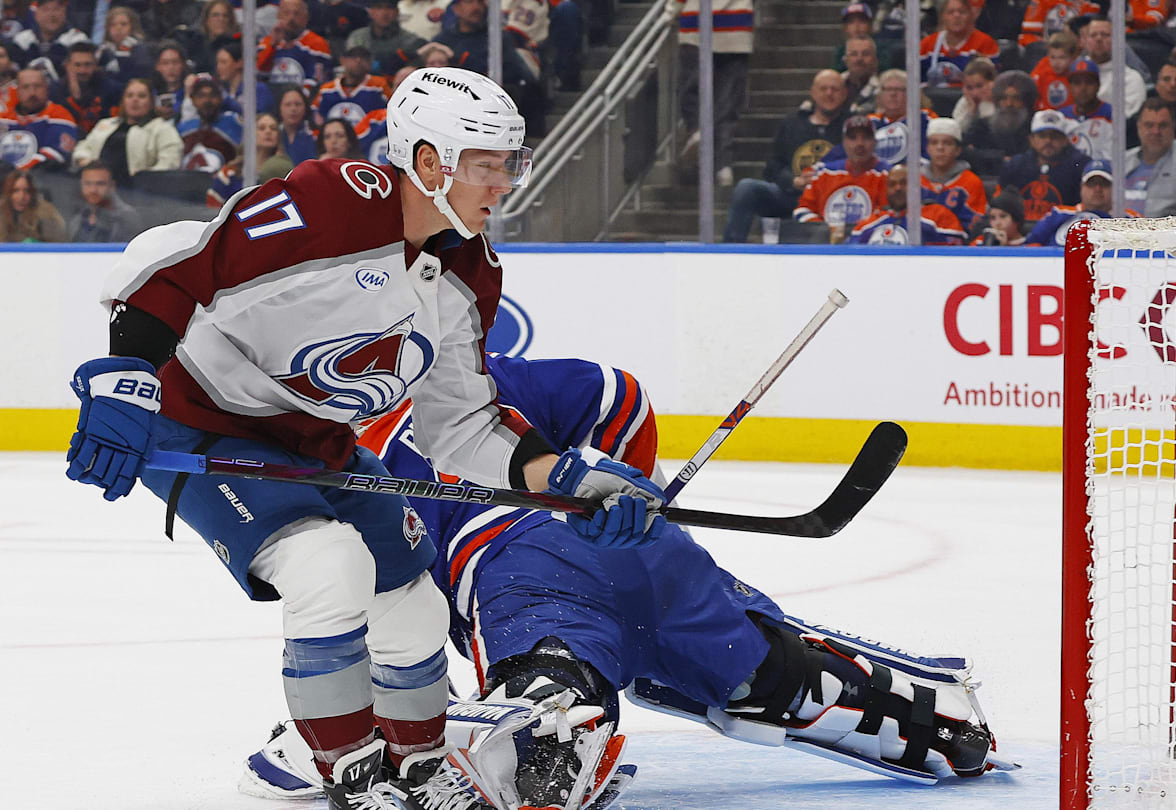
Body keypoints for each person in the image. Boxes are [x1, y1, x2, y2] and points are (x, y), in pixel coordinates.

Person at [63, 67, 666, 810]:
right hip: (201, 421)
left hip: (316, 442)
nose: (503, 183)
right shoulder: (332, 205)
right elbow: (177, 261)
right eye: (486, 164)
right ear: (425, 161)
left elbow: (465, 425)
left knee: (413, 603)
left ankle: (417, 769)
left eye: (509, 163)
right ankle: (353, 774)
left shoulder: (467, 272)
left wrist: (567, 477)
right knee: (328, 565)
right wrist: (125, 372)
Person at [239, 355, 1004, 809]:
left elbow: (386, 633)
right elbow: (615, 394)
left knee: (551, 686)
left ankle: (549, 721)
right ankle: (937, 725)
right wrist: (634, 495)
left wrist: (343, 732)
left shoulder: (331, 478)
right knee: (763, 676)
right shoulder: (458, 381)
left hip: (522, 570)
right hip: (652, 557)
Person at [723, 68, 846, 243]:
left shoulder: (852, 127)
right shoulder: (792, 124)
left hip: (835, 201)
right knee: (746, 188)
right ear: (813, 92)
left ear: (844, 94)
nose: (829, 93)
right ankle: (730, 253)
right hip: (793, 196)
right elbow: (772, 168)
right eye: (823, 88)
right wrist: (794, 182)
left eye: (835, 89)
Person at [667, 0, 753, 186]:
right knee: (728, 102)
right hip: (735, 25)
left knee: (691, 89)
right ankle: (723, 164)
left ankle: (696, 130)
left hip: (696, 23)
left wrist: (670, 13)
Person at [434, 0, 546, 136]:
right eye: (469, 2)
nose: (476, 7)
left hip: (487, 107)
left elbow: (516, 74)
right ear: (456, 8)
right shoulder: (443, 40)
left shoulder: (497, 38)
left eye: (480, 2)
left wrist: (466, 63)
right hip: (450, 106)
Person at [73, 77, 184, 184]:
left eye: (142, 96)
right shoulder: (106, 124)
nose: (134, 100)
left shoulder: (163, 129)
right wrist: (86, 161)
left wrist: (146, 179)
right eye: (129, 96)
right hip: (97, 185)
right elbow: (83, 147)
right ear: (123, 101)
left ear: (151, 102)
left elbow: (170, 163)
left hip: (138, 191)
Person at [792, 114, 890, 231]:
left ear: (875, 142)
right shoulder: (823, 173)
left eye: (866, 137)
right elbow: (802, 210)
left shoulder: (887, 175)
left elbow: (888, 215)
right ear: (844, 142)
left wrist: (857, 233)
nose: (860, 144)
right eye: (853, 138)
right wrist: (825, 232)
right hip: (826, 245)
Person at [997, 107, 1088, 224]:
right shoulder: (1015, 166)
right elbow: (999, 206)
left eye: (1054, 136)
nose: (1048, 141)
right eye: (1042, 136)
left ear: (1065, 140)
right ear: (1032, 140)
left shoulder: (1078, 167)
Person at [1025, 158, 1136, 245]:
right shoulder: (1059, 214)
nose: (1097, 189)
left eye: (1104, 184)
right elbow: (1031, 244)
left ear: (1115, 188)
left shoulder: (1129, 219)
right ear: (1081, 187)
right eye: (1091, 184)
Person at [848, 163, 966, 244]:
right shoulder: (869, 223)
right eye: (892, 184)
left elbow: (955, 256)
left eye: (904, 183)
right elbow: (849, 256)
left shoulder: (938, 215)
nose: (898, 188)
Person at [207, 110, 295, 205]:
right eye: (261, 128)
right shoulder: (229, 173)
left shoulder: (283, 172)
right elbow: (212, 209)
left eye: (273, 128)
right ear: (249, 135)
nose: (268, 131)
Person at [0, 67, 79, 170]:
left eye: (37, 86)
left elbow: (53, 155)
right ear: (17, 91)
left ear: (47, 89)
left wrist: (17, 173)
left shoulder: (60, 115)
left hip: (42, 180)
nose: (32, 93)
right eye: (26, 87)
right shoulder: (4, 118)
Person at [921, 115, 986, 231]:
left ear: (958, 150)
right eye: (934, 143)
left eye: (947, 143)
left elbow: (975, 224)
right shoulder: (915, 180)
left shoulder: (971, 182)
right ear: (927, 148)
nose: (940, 148)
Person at [962, 69, 1036, 169]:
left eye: (1016, 98)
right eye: (1003, 98)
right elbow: (963, 151)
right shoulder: (982, 125)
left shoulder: (1036, 127)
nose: (1009, 103)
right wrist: (999, 158)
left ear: (1027, 101)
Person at [258, 0, 335, 93]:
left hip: (301, 103)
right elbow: (259, 75)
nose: (291, 18)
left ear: (306, 18)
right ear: (278, 16)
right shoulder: (267, 42)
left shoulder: (317, 44)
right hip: (269, 102)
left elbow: (316, 83)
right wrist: (273, 46)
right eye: (286, 13)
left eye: (297, 14)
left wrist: (295, 101)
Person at [919, 0, 999, 88]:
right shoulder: (927, 44)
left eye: (961, 12)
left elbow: (991, 83)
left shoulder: (985, 43)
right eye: (950, 12)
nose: (956, 16)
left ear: (970, 16)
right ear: (942, 17)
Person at [6, 0, 90, 83]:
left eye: (56, 9)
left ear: (64, 12)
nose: (51, 15)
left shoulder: (77, 39)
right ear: (36, 14)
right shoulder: (22, 39)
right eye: (46, 9)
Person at [1081, 17, 1147, 118]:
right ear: (1084, 41)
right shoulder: (1072, 73)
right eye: (1093, 35)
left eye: (1105, 35)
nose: (1099, 39)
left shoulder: (1131, 79)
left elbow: (1130, 119)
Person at [51, 41, 122, 135]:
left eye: (87, 65)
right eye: (77, 65)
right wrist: (75, 99)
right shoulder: (55, 90)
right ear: (67, 66)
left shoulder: (112, 89)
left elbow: (114, 124)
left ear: (95, 65)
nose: (82, 70)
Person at [346, 0, 425, 80]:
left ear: (397, 12)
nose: (384, 13)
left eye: (389, 8)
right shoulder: (358, 37)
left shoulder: (410, 39)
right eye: (379, 7)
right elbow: (352, 64)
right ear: (370, 12)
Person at [177, 76, 242, 171]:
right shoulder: (184, 128)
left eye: (213, 95)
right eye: (201, 96)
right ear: (192, 100)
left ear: (220, 98)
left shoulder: (234, 123)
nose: (207, 101)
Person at [313, 45, 390, 125]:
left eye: (364, 57)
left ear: (370, 63)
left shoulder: (379, 86)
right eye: (353, 56)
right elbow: (314, 117)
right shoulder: (326, 90)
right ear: (342, 60)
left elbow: (391, 113)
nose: (358, 60)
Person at [68, 162, 142, 241]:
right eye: (87, 183)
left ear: (112, 186)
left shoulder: (127, 218)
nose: (93, 190)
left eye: (100, 184)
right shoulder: (76, 219)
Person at [1059, 56, 1114, 160]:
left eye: (1089, 82)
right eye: (1077, 83)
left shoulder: (1111, 114)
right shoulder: (1061, 116)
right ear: (1070, 87)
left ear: (1098, 85)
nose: (1083, 88)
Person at [0, 168, 65, 241]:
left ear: (32, 193)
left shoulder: (45, 212)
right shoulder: (1, 211)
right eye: (16, 191)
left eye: (27, 191)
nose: (21, 196)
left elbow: (57, 242)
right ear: (8, 193)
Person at [832, 2, 896, 73]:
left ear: (870, 25)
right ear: (845, 27)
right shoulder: (840, 51)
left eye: (862, 21)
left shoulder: (882, 49)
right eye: (851, 22)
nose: (857, 25)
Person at [96, 6, 152, 82]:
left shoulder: (140, 49)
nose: (118, 28)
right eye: (113, 24)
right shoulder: (103, 50)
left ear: (132, 26)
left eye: (123, 24)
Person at [1031, 29, 1080, 111]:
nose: (1056, 63)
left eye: (1062, 57)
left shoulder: (1078, 73)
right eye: (1052, 57)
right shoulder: (1042, 68)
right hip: (1044, 116)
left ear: (1073, 58)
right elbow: (1032, 94)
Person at [1020, 0, 1098, 49]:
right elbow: (1029, 35)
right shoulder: (1041, 2)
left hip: (1075, 53)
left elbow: (1089, 40)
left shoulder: (1089, 7)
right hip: (1046, 52)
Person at [192, 0, 241, 75]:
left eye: (225, 16)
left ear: (231, 21)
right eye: (215, 15)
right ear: (206, 20)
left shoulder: (239, 47)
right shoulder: (196, 45)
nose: (221, 19)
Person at [839, 35, 882, 114]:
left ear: (875, 60)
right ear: (845, 60)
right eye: (854, 54)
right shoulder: (834, 85)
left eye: (865, 54)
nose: (859, 59)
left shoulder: (883, 89)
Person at [952, 56, 995, 132]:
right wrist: (971, 111)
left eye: (979, 86)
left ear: (992, 83)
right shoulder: (965, 101)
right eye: (969, 88)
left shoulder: (1002, 99)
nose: (975, 93)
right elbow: (958, 131)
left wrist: (986, 103)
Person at [150, 40, 189, 121]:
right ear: (157, 66)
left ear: (183, 65)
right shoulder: (149, 93)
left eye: (175, 62)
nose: (171, 67)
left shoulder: (191, 91)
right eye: (165, 63)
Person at [277, 86, 318, 163]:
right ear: (280, 108)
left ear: (305, 108)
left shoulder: (315, 135)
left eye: (298, 104)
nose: (293, 109)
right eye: (288, 104)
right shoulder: (274, 134)